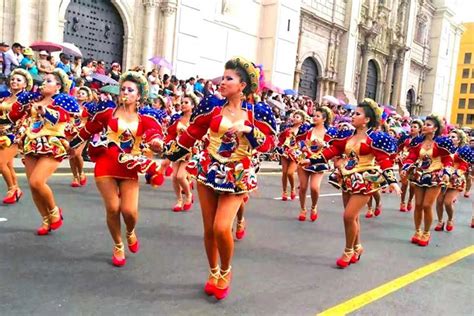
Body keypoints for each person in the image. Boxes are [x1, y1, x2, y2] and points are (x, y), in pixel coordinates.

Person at [165, 57, 276, 300]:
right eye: (222, 77)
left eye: (228, 78)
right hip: (208, 169)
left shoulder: (259, 113)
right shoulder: (211, 106)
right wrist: (166, 151)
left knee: (221, 226)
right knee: (208, 229)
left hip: (237, 174)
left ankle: (226, 270)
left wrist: (249, 130)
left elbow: (269, 145)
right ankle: (213, 271)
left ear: (243, 85)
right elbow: (192, 134)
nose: (222, 82)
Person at [69, 71, 167, 267]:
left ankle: (130, 231)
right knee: (113, 208)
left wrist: (157, 143)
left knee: (130, 212)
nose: (125, 93)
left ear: (138, 96)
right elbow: (88, 130)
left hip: (129, 168)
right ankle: (118, 244)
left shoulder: (145, 119)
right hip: (106, 163)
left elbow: (155, 134)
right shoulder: (108, 114)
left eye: (130, 90)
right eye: (123, 89)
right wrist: (72, 145)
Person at [302, 98, 400, 268]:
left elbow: (384, 160)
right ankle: (357, 247)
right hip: (347, 179)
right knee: (352, 217)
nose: (352, 116)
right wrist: (311, 161)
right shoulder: (347, 136)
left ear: (367, 119)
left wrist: (392, 181)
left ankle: (348, 251)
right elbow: (332, 150)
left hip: (365, 180)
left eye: (357, 114)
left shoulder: (375, 138)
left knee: (348, 215)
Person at [1, 69, 79, 234]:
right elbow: (13, 116)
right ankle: (45, 219)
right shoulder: (34, 100)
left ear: (58, 86)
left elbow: (62, 117)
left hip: (52, 144)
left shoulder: (63, 100)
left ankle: (54, 211)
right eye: (43, 80)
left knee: (37, 181)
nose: (44, 83)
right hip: (31, 144)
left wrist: (46, 111)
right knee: (33, 186)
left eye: (49, 81)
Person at [401, 115, 455, 247]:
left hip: (435, 176)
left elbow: (448, 159)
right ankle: (417, 231)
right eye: (424, 124)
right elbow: (412, 156)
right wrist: (406, 167)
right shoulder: (418, 142)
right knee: (418, 204)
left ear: (436, 128)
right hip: (420, 175)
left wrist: (447, 173)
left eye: (429, 124)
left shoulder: (442, 142)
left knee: (426, 205)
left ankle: (426, 232)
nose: (425, 126)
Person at [296, 106, 335, 221]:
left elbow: (333, 148)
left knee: (314, 187)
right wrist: (303, 147)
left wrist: (323, 145)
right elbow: (298, 141)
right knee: (303, 187)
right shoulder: (307, 129)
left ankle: (314, 206)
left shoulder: (329, 132)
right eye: (314, 115)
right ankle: (303, 209)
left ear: (324, 119)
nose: (314, 118)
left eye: (318, 116)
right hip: (304, 159)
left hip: (319, 162)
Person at [0, 69, 33, 204]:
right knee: (7, 164)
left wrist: (21, 134)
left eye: (19, 80)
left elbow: (28, 117)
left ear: (25, 84)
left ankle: (12, 189)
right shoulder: (5, 97)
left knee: (1, 163)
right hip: (1, 132)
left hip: (14, 135)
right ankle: (16, 190)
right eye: (13, 79)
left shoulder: (25, 99)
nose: (14, 81)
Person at [435, 129, 473, 232]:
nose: (450, 139)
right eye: (450, 136)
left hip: (455, 179)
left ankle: (450, 219)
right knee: (439, 201)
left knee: (448, 202)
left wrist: (457, 173)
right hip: (443, 177)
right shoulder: (445, 148)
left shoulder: (464, 150)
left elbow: (464, 164)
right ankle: (440, 221)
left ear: (459, 139)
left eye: (453, 137)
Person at [164, 94, 198, 212]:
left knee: (180, 176)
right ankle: (179, 200)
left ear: (193, 105)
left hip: (190, 151)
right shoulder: (176, 119)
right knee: (174, 177)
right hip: (177, 149)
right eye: (182, 102)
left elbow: (201, 135)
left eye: (186, 102)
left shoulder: (196, 120)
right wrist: (167, 145)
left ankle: (188, 195)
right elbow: (171, 133)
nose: (183, 104)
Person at [278, 110, 311, 201]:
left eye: (297, 117)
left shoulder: (304, 130)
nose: (295, 118)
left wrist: (304, 151)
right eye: (294, 117)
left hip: (297, 154)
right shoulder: (287, 128)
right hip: (286, 152)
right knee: (284, 172)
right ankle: (284, 191)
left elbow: (308, 141)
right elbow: (281, 138)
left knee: (290, 172)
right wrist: (280, 146)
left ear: (302, 120)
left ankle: (292, 188)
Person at [67, 86, 95, 187]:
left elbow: (94, 118)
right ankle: (75, 177)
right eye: (79, 93)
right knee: (71, 154)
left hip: (83, 132)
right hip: (70, 130)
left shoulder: (89, 107)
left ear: (87, 97)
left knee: (77, 153)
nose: (80, 94)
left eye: (83, 94)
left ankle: (81, 172)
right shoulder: (70, 105)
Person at [398, 119, 422, 212]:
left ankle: (410, 201)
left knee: (412, 185)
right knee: (404, 183)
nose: (412, 128)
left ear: (419, 129)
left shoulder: (421, 140)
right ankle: (402, 202)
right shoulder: (404, 138)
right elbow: (398, 148)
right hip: (403, 162)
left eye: (415, 127)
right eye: (411, 126)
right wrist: (397, 155)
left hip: (415, 163)